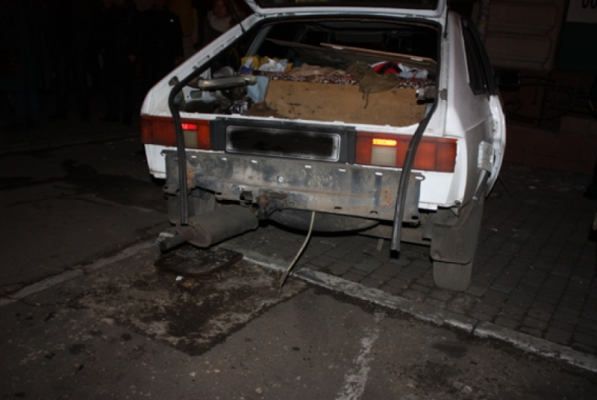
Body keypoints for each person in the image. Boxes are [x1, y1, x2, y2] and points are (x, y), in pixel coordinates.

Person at [139, 0, 184, 90]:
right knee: (150, 81)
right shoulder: (145, 16)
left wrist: (179, 54)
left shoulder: (172, 16)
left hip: (167, 56)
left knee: (166, 80)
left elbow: (177, 36)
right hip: (150, 56)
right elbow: (141, 36)